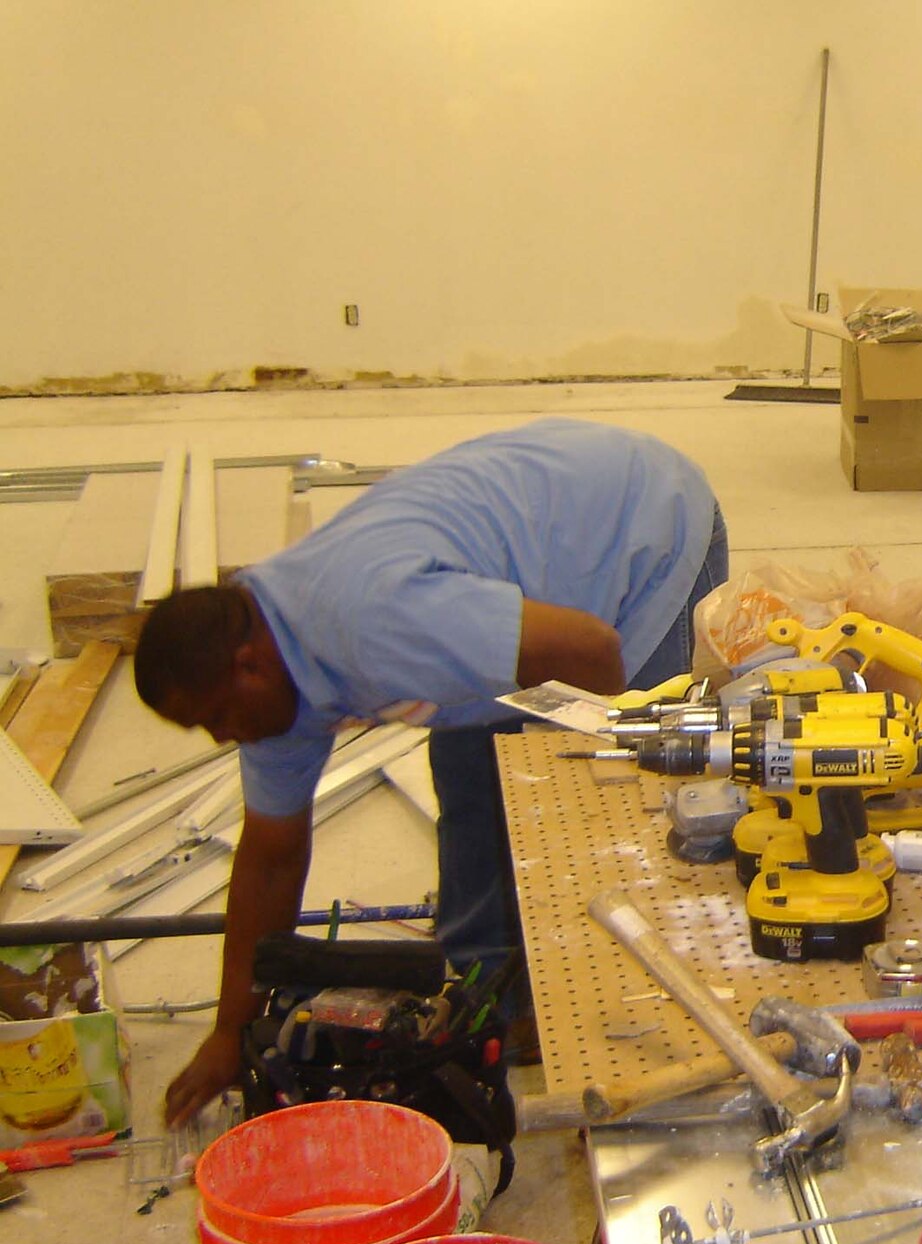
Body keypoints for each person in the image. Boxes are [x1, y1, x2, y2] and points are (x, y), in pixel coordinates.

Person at [135, 418, 727, 1127]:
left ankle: (630, 1015)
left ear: (247, 665)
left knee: (615, 802)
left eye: (217, 717)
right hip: (536, 546)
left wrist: (584, 779)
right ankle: (492, 1009)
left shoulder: (371, 621)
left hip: (639, 536)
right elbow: (269, 859)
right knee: (474, 779)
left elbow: (588, 648)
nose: (223, 736)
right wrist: (229, 1033)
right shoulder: (268, 676)